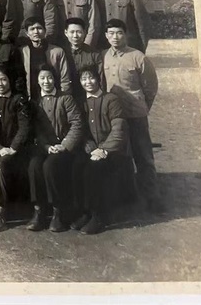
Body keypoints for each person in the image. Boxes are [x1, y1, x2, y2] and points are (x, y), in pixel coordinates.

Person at [103, 18, 162, 212]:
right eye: (111, 33)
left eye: (119, 33)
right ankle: (126, 197)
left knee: (143, 156)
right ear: (106, 36)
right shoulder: (103, 57)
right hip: (114, 117)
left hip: (135, 114)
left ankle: (152, 198)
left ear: (125, 34)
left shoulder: (138, 57)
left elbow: (151, 87)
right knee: (119, 155)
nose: (115, 37)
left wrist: (142, 107)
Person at [70, 65, 130, 234]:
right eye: (83, 79)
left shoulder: (111, 100)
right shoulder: (81, 102)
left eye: (91, 78)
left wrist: (103, 150)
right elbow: (82, 130)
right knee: (76, 166)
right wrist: (90, 147)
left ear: (98, 79)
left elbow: (119, 129)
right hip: (92, 150)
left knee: (93, 171)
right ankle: (85, 212)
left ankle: (99, 216)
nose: (88, 82)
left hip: (112, 151)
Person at [27, 65, 84, 232]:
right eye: (42, 78)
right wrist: (46, 146)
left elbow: (77, 124)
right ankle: (39, 210)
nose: (46, 81)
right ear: (37, 81)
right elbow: (36, 129)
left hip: (65, 148)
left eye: (50, 77)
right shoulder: (36, 102)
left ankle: (58, 211)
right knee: (34, 165)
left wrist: (64, 145)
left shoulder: (65, 98)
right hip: (46, 148)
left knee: (49, 166)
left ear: (55, 79)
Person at [0, 66, 32, 233]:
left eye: (3, 79)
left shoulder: (19, 100)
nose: (0, 84)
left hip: (17, 151)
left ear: (10, 81)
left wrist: (13, 148)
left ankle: (0, 212)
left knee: (0, 165)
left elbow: (24, 128)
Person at [20, 16, 70, 100]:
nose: (36, 32)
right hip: (30, 97)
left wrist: (63, 98)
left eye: (39, 28)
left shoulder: (57, 51)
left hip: (54, 97)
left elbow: (65, 79)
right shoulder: (22, 52)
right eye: (32, 29)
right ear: (27, 33)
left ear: (45, 30)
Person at [64, 17, 104, 100]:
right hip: (67, 96)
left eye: (79, 32)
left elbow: (100, 78)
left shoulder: (94, 54)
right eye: (72, 32)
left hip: (90, 96)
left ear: (84, 33)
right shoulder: (62, 53)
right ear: (66, 33)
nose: (75, 36)